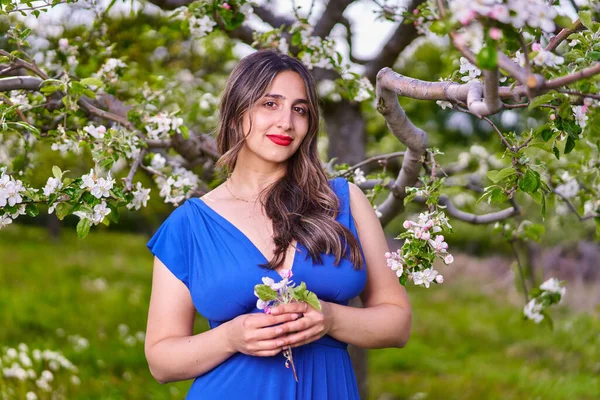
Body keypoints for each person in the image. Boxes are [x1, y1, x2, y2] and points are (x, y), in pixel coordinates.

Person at [144, 50, 411, 399]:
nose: (286, 122)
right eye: (270, 104)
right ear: (238, 113)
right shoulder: (188, 225)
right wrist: (230, 337)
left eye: (299, 109)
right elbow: (161, 362)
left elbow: (397, 323)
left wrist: (330, 319)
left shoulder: (342, 201)